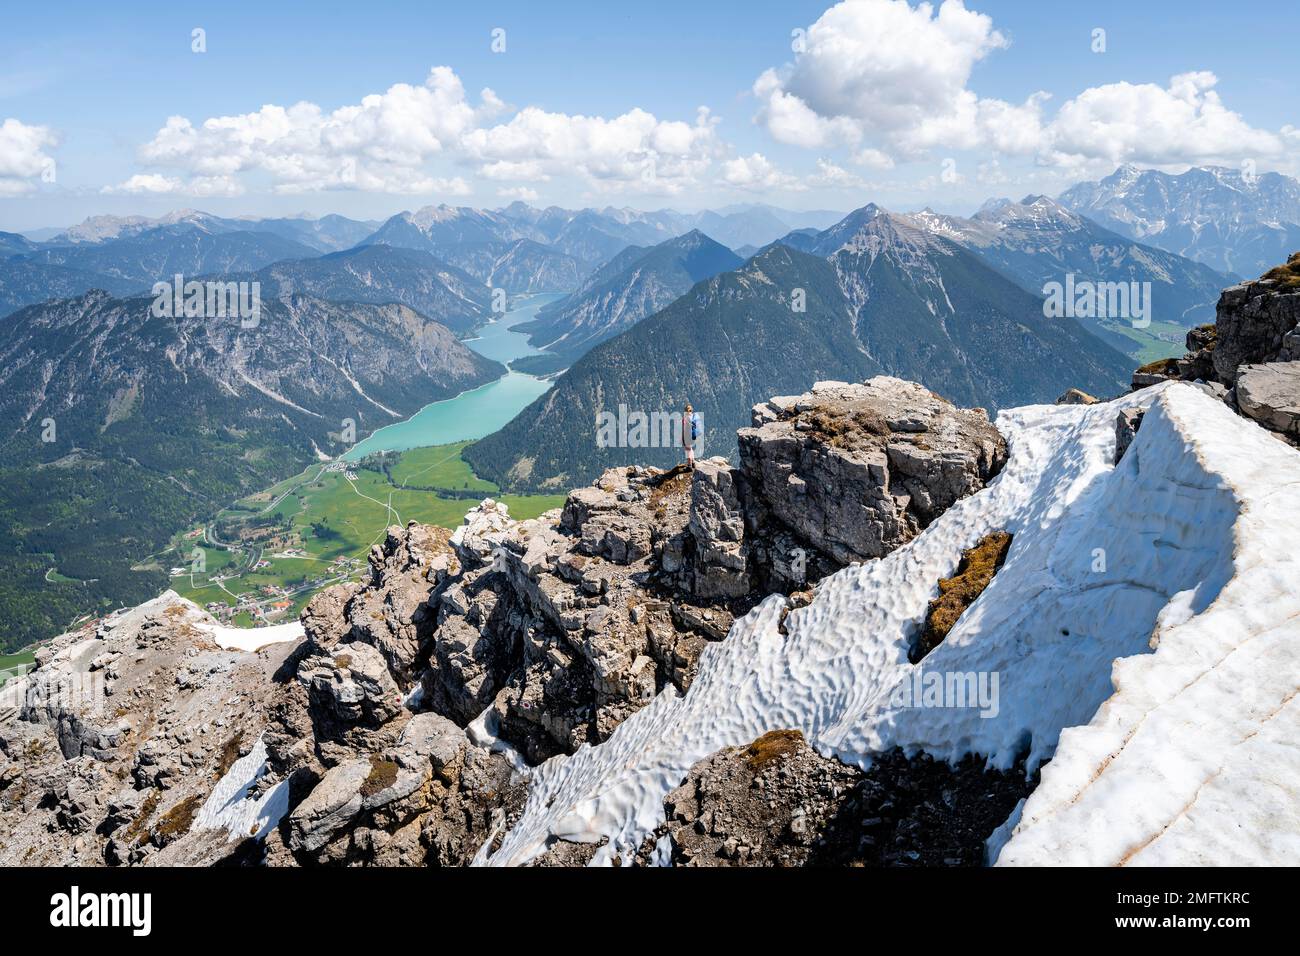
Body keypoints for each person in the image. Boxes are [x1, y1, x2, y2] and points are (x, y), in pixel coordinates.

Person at [683, 403, 699, 470]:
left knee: (688, 450)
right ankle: (693, 463)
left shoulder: (686, 418)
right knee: (691, 449)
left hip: (688, 436)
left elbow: (685, 428)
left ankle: (689, 466)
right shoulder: (693, 416)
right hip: (693, 436)